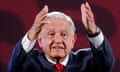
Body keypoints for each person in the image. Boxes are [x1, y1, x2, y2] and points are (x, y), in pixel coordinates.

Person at [8, 2, 114, 72]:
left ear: (73, 40)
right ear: (39, 41)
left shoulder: (86, 61)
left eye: (64, 34)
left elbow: (106, 64)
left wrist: (93, 32)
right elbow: (14, 68)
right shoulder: (30, 62)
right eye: (51, 34)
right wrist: (32, 32)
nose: (58, 40)